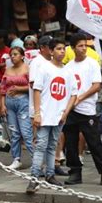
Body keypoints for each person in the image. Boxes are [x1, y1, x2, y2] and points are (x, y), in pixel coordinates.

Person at [63, 33, 102, 187]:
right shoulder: (68, 67)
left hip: (87, 109)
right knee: (71, 142)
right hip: (71, 110)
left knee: (94, 143)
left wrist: (80, 98)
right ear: (72, 48)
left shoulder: (92, 63)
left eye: (85, 45)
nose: (83, 49)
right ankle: (74, 171)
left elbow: (96, 85)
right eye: (80, 46)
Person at [26, 39, 77, 193]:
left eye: (64, 49)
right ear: (51, 51)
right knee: (41, 145)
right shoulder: (44, 68)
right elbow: (37, 90)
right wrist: (37, 113)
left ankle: (50, 174)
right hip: (44, 113)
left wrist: (65, 113)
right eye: (59, 48)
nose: (62, 51)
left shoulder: (68, 71)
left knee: (52, 145)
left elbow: (73, 94)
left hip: (59, 115)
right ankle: (34, 178)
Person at [0, 47, 34, 170]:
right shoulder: (8, 69)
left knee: (26, 132)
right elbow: (2, 89)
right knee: (14, 133)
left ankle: (36, 159)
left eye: (15, 54)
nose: (13, 57)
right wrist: (2, 104)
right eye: (11, 55)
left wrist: (19, 89)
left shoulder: (28, 68)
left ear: (22, 56)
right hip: (9, 103)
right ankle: (16, 159)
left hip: (23, 101)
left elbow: (33, 86)